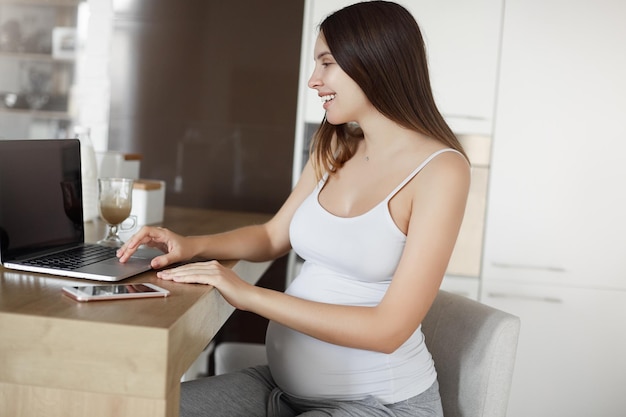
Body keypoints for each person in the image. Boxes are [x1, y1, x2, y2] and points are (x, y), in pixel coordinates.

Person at [117, 1, 470, 416]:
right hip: (282, 391)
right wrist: (191, 245)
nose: (313, 80)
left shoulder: (440, 171)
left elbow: (388, 331)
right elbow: (271, 236)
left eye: (326, 63)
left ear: (374, 61)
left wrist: (248, 295)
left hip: (380, 405)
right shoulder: (336, 147)